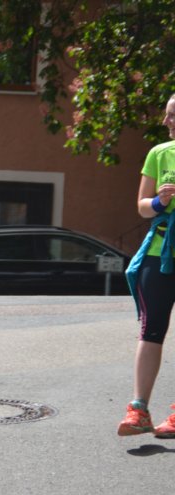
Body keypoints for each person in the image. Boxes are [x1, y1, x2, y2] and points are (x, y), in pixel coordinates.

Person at [118, 93, 175, 438]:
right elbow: (141, 206)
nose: (166, 121)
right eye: (167, 115)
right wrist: (159, 201)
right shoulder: (159, 153)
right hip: (158, 253)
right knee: (151, 329)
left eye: (172, 115)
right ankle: (139, 410)